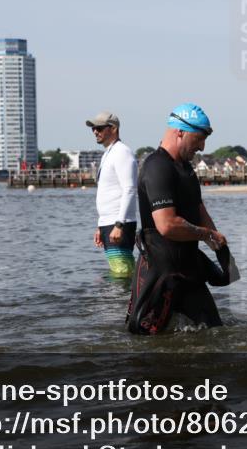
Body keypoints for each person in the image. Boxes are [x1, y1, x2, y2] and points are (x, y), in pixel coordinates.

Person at [125, 104, 238, 334]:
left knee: (216, 334)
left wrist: (221, 249)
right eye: (199, 138)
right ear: (180, 132)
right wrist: (206, 234)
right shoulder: (157, 166)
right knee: (144, 341)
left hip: (188, 270)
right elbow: (167, 225)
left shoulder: (185, 169)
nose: (202, 146)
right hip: (161, 273)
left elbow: (199, 210)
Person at [88, 111, 138, 278]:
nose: (95, 131)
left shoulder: (122, 152)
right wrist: (100, 225)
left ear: (114, 129)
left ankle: (122, 303)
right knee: (119, 270)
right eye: (93, 128)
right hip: (109, 223)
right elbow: (108, 192)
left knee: (122, 272)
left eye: (100, 128)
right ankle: (118, 303)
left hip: (119, 224)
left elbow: (129, 189)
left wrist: (119, 225)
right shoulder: (108, 153)